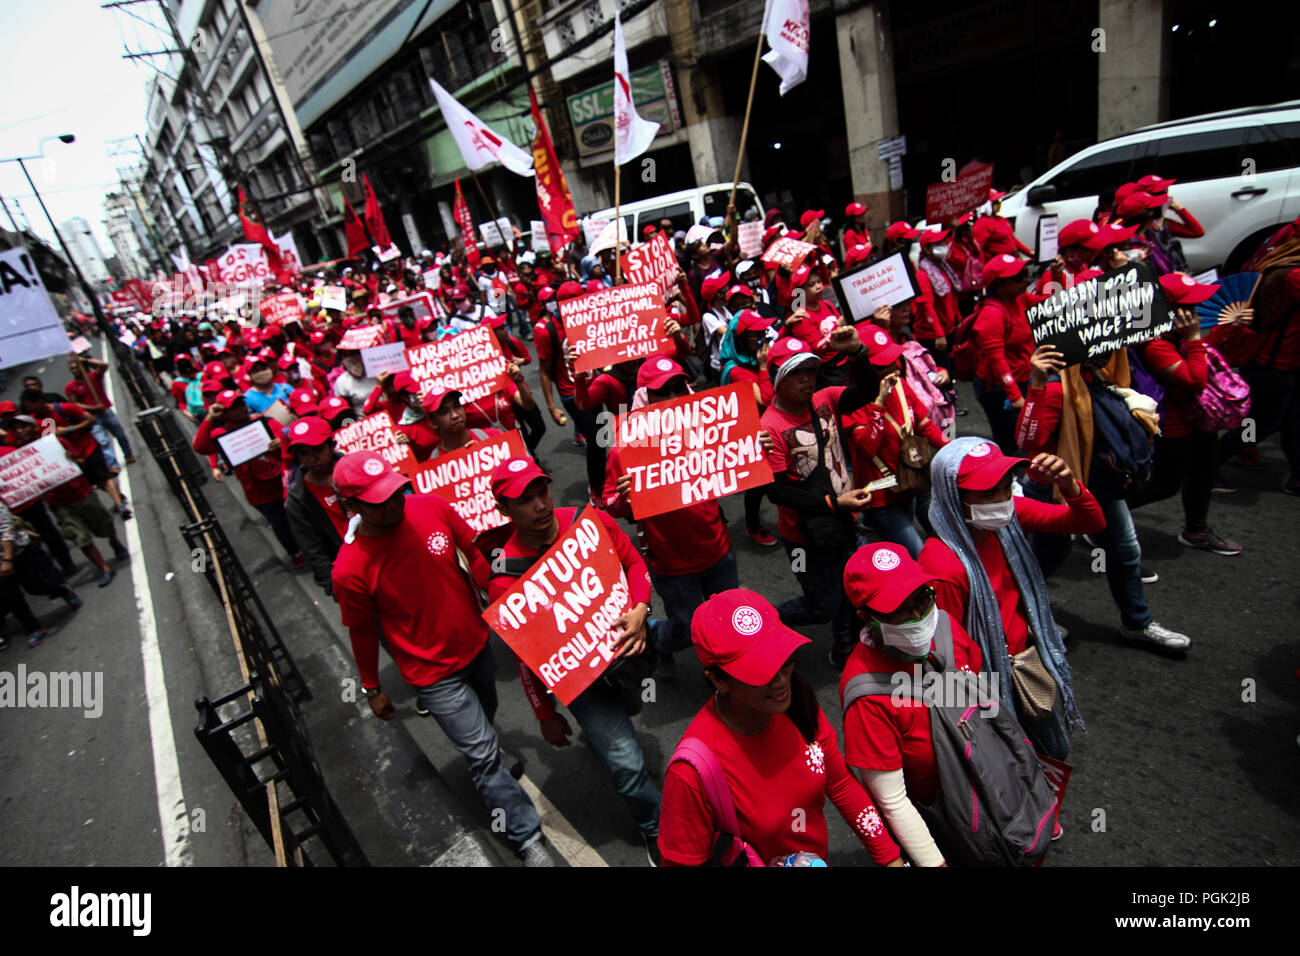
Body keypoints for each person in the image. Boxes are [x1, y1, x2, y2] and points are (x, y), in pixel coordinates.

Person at [330, 450, 550, 864]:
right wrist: (371, 685)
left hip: (477, 642)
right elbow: (360, 629)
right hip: (431, 675)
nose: (394, 504)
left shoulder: (431, 506)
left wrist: (506, 606)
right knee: (482, 755)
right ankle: (526, 837)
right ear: (351, 506)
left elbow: (474, 552)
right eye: (380, 501)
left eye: (395, 492)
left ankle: (491, 751)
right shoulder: (349, 569)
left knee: (487, 715)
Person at [489, 456, 663, 864]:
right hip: (581, 684)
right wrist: (544, 713)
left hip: (626, 654)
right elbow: (525, 656)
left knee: (633, 712)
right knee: (626, 763)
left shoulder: (590, 520)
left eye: (542, 491)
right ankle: (654, 825)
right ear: (503, 510)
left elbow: (634, 564)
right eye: (525, 500)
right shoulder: (503, 578)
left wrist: (640, 607)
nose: (540, 505)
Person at [658, 589, 903, 867]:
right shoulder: (690, 774)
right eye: (759, 670)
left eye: (783, 658)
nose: (780, 680)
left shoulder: (798, 701)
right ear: (718, 680)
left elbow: (840, 782)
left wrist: (890, 858)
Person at [921, 438, 1103, 759]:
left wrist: (1069, 485)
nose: (1002, 499)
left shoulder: (1007, 517)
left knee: (1053, 755)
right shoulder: (941, 564)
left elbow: (1089, 523)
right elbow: (947, 657)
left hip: (1022, 668)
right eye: (988, 493)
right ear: (953, 498)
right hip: (988, 686)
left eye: (1006, 487)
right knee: (1020, 765)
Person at [1015, 347, 1194, 651]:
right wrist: (1037, 382)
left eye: (1113, 345)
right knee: (1042, 562)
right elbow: (1025, 440)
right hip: (1055, 490)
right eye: (1102, 345)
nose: (1110, 352)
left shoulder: (1103, 378)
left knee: (1125, 552)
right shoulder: (1059, 386)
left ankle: (1137, 623)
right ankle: (1021, 620)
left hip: (1100, 486)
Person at [840, 543, 986, 866]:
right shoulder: (867, 696)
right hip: (936, 820)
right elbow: (892, 801)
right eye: (901, 609)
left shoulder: (946, 626)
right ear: (866, 617)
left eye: (922, 598)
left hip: (984, 788)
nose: (919, 617)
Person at [601, 358, 740, 663]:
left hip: (718, 548)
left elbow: (738, 467)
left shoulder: (709, 428)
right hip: (671, 563)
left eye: (679, 387)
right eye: (663, 391)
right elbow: (608, 503)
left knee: (728, 616)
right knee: (688, 629)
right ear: (646, 397)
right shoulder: (625, 447)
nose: (673, 398)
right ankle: (657, 639)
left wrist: (757, 449)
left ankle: (725, 673)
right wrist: (624, 498)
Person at [760, 332, 876, 668]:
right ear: (776, 379)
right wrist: (834, 503)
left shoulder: (826, 397)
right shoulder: (770, 427)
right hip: (805, 538)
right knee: (822, 604)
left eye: (810, 371)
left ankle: (844, 646)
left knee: (850, 588)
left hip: (842, 519)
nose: (806, 380)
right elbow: (777, 492)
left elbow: (866, 392)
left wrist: (857, 352)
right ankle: (768, 621)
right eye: (796, 373)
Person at [1128, 274, 1242, 555]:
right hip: (1174, 426)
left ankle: (1197, 530)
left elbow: (1203, 357)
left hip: (1200, 420)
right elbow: (1195, 380)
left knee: (1204, 473)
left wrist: (1227, 330)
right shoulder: (1155, 344)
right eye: (1188, 306)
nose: (1194, 312)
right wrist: (1194, 339)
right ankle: (1100, 518)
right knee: (1164, 485)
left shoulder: (1174, 334)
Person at [841, 327, 949, 558]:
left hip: (910, 482)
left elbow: (923, 425)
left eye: (894, 360)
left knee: (934, 543)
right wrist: (879, 404)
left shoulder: (900, 384)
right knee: (917, 554)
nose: (894, 368)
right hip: (882, 497)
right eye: (884, 364)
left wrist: (952, 450)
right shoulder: (850, 401)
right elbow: (868, 447)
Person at [9, 416, 128, 588]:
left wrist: (72, 459)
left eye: (23, 427)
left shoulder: (56, 443)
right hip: (57, 502)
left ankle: (115, 543)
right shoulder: (19, 458)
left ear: (34, 428)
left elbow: (82, 465)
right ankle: (104, 568)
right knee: (79, 537)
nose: (20, 431)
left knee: (104, 525)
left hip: (81, 493)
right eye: (16, 429)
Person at [192, 390, 305, 567]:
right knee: (279, 523)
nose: (240, 410)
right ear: (224, 412)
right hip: (258, 492)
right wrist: (209, 418)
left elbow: (292, 437)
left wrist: (281, 441)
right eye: (234, 408)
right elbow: (201, 447)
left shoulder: (263, 421)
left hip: (284, 483)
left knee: (300, 518)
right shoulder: (221, 433)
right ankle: (295, 552)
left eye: (241, 405)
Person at [970, 254, 1035, 454]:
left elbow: (1052, 300)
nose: (1026, 280)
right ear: (999, 286)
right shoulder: (992, 315)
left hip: (1021, 379)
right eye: (1018, 277)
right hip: (998, 388)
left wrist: (1057, 276)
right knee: (1005, 436)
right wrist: (1014, 395)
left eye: (1025, 274)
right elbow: (997, 359)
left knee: (1017, 435)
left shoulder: (1020, 299)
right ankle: (1003, 479)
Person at [0, 498, 81, 649]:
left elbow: (6, 530)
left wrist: (7, 559)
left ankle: (63, 590)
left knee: (34, 586)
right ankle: (34, 629)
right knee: (12, 597)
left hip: (17, 552)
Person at [285, 417, 346, 597]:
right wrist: (333, 587)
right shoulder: (298, 499)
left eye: (318, 449)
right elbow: (312, 549)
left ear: (331, 445)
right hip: (351, 571)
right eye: (304, 453)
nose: (311, 458)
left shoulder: (357, 468)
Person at [66, 355, 135, 467]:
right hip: (92, 418)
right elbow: (75, 404)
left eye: (77, 367)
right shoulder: (70, 386)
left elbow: (103, 365)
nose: (75, 370)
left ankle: (128, 454)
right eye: (72, 368)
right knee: (103, 442)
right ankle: (113, 465)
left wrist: (85, 360)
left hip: (106, 412)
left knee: (120, 435)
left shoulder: (93, 377)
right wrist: (92, 408)